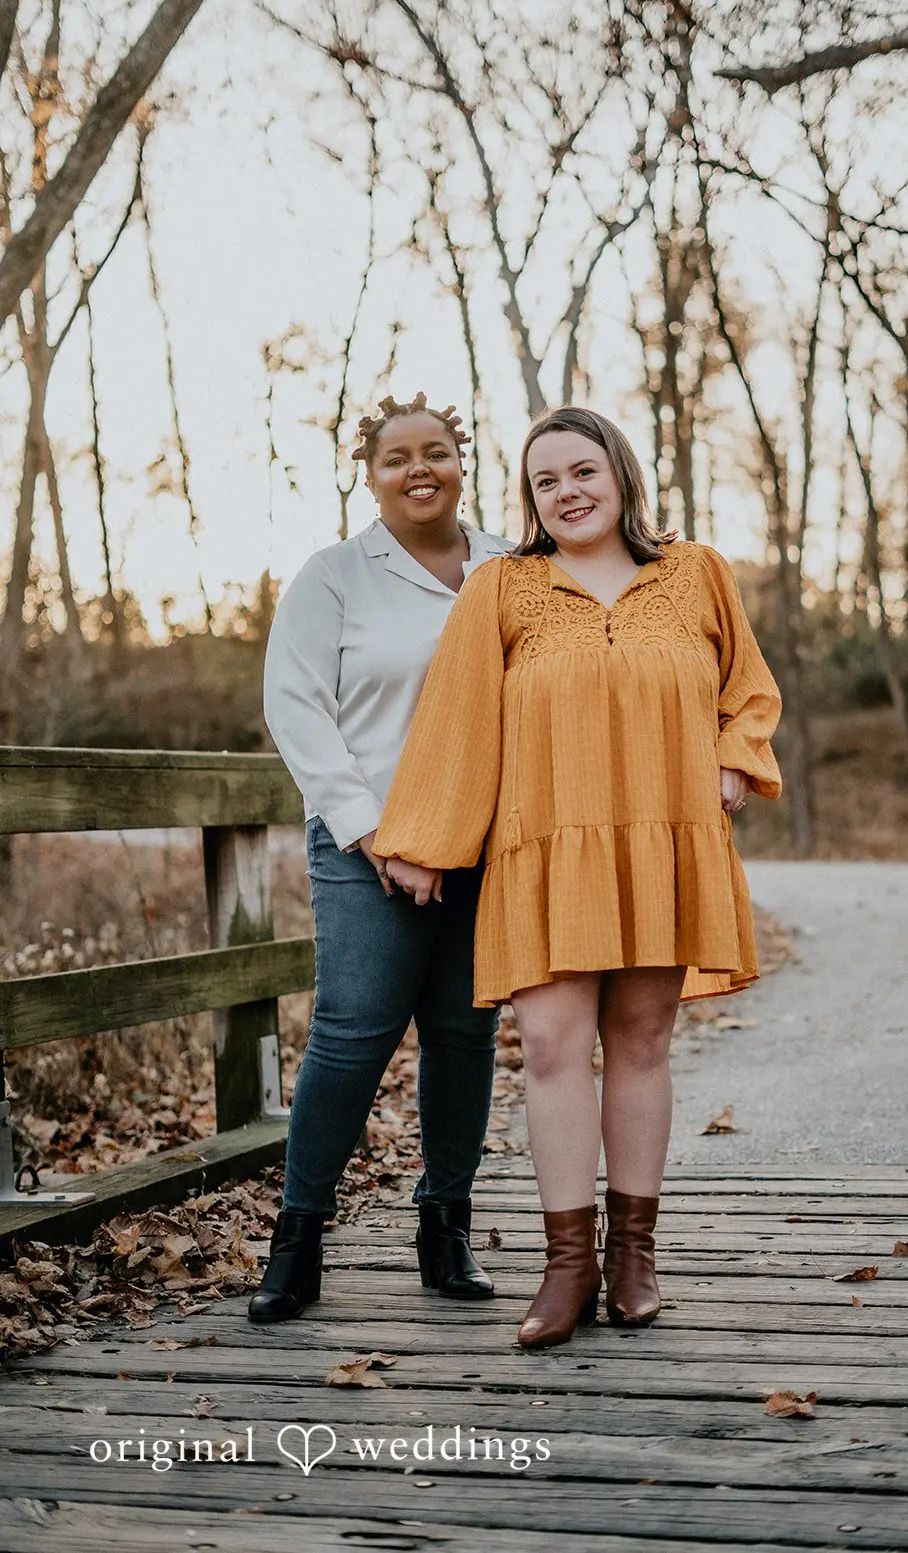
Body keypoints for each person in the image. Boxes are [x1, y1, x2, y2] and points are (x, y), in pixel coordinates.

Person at [374, 405, 782, 1349]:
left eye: (582, 471)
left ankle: (634, 1257)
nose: (567, 492)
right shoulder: (502, 588)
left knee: (639, 1044)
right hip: (545, 849)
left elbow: (748, 688)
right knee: (554, 1051)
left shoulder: (694, 573)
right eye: (546, 480)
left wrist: (733, 755)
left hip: (662, 840)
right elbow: (458, 720)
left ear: (621, 475)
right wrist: (423, 839)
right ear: (529, 498)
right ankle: (567, 1269)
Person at [250, 393, 510, 1323]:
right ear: (369, 475)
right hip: (370, 843)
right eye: (397, 457)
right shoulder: (333, 577)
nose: (418, 469)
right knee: (353, 1033)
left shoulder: (510, 568)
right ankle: (298, 1240)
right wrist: (376, 836)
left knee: (462, 1035)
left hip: (487, 843)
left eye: (435, 451)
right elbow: (297, 709)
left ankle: (445, 1229)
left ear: (460, 461)